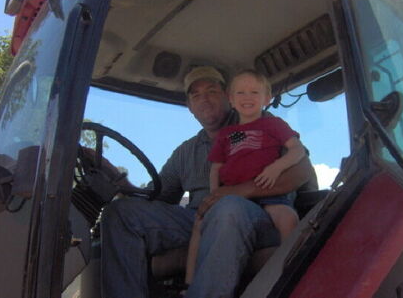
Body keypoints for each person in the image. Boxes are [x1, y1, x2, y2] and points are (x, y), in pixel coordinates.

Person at [100, 66, 314, 298]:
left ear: (226, 96)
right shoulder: (185, 152)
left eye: (211, 91)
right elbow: (155, 198)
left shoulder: (259, 123)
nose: (204, 99)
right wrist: (118, 179)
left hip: (260, 213)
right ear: (190, 107)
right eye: (196, 95)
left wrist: (239, 191)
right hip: (199, 215)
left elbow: (301, 170)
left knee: (228, 207)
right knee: (121, 213)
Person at [184, 69, 303, 284]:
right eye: (240, 93)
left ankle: (288, 275)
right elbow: (216, 168)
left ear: (266, 98)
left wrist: (276, 167)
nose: (247, 98)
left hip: (267, 193)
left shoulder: (273, 124)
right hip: (232, 195)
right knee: (199, 224)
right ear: (231, 99)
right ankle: (188, 284)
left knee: (288, 217)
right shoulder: (229, 134)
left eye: (254, 93)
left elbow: (298, 151)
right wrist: (213, 196)